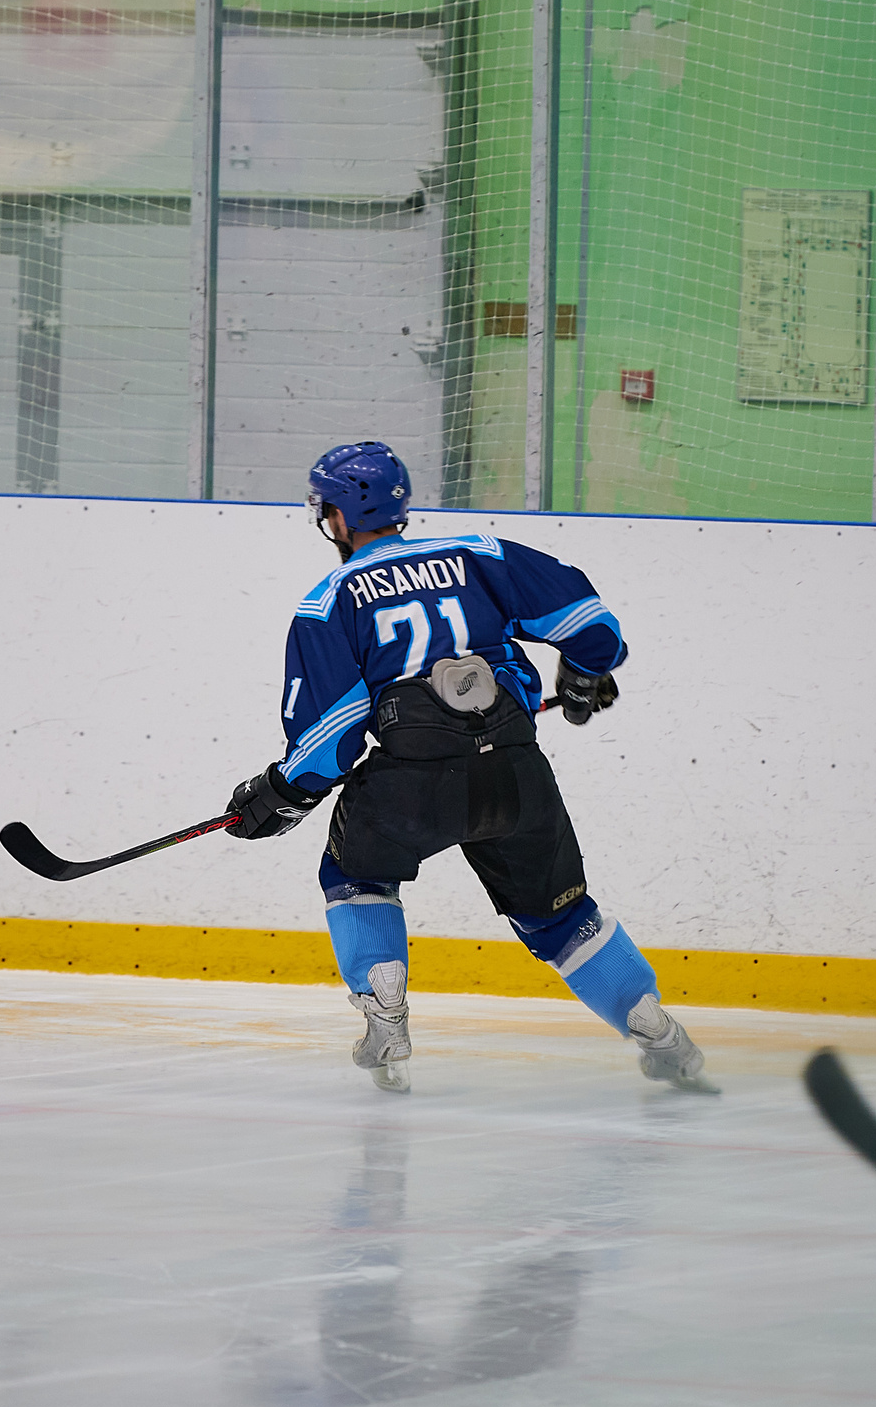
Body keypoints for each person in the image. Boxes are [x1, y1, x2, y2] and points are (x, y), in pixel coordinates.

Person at [220, 439, 716, 1096]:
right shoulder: (480, 555)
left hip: (411, 777)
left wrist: (284, 791)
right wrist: (583, 674)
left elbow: (330, 739)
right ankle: (658, 1032)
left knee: (355, 872)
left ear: (337, 516)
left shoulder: (329, 600)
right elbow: (595, 627)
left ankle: (386, 1014)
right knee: (562, 916)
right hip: (514, 766)